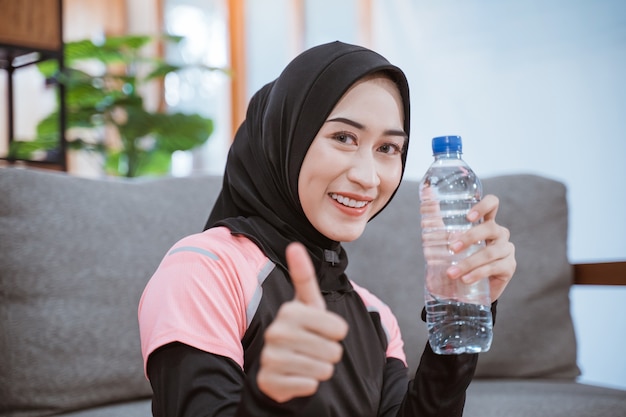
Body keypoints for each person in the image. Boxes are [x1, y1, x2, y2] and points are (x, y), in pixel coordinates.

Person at [138, 40, 516, 417]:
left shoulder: (377, 317)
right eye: (343, 138)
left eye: (388, 148)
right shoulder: (203, 271)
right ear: (285, 140)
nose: (368, 178)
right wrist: (271, 397)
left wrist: (462, 305)